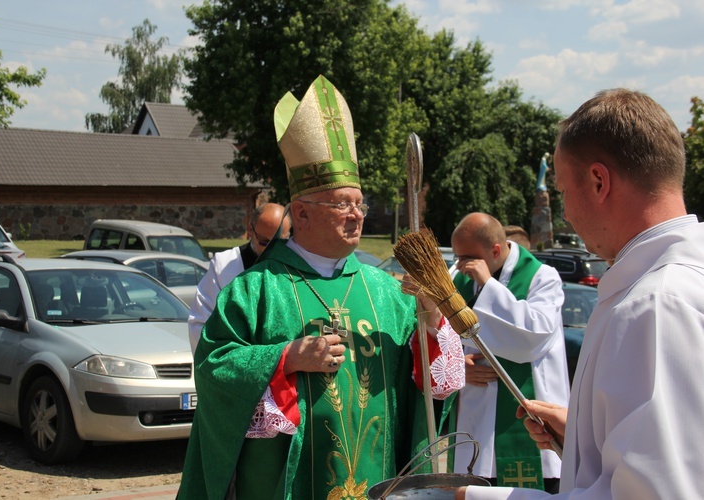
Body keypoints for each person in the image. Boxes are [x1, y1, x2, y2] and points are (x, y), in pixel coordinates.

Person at [178, 75, 465, 499]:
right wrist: (286, 357)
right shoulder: (255, 290)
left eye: (360, 203)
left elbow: (433, 387)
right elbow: (213, 367)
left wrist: (430, 321)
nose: (357, 215)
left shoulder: (386, 291)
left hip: (377, 478)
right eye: (341, 204)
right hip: (283, 482)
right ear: (302, 213)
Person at [457, 89, 704, 499]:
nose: (566, 212)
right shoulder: (674, 281)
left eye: (563, 192)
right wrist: (585, 438)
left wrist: (487, 498)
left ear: (598, 181)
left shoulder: (654, 305)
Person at [445, 212, 569, 492]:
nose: (460, 265)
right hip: (476, 429)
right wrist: (457, 363)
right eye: (457, 257)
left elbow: (531, 339)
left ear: (496, 250)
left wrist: (489, 286)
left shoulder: (542, 277)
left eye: (466, 258)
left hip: (531, 433)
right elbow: (443, 338)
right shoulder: (462, 282)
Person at [187, 202, 291, 351]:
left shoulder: (294, 268)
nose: (270, 250)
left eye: (279, 243)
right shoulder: (224, 266)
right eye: (264, 242)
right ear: (250, 229)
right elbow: (201, 323)